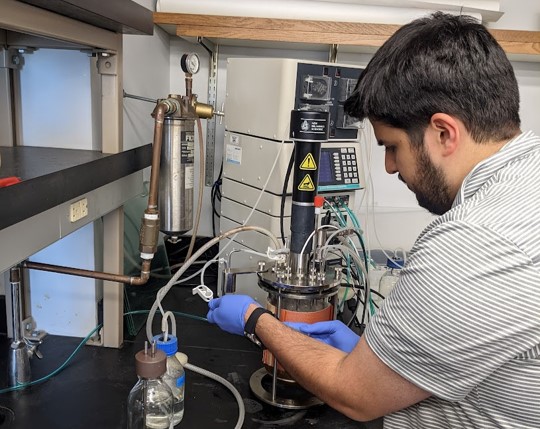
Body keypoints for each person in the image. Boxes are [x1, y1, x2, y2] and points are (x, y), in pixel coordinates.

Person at [207, 11, 540, 428]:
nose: (387, 166)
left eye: (392, 146)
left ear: (444, 133)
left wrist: (254, 320)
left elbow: (356, 396)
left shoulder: (474, 240)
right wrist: (374, 351)